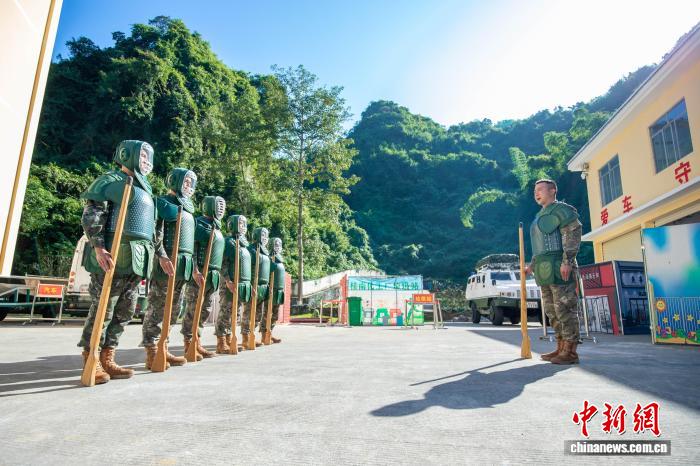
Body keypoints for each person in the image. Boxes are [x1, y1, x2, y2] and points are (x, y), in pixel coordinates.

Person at [79, 140, 171, 384]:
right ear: (127, 155)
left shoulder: (146, 190)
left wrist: (161, 254)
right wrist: (98, 246)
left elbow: (153, 230)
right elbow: (92, 214)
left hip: (137, 258)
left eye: (148, 158)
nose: (146, 162)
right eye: (142, 156)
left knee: (125, 310)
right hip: (113, 254)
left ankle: (108, 356)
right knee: (104, 308)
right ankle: (92, 357)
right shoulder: (110, 181)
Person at [141, 168, 197, 370]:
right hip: (165, 264)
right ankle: (152, 350)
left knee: (175, 309)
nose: (188, 186)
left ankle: (163, 346)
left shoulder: (189, 210)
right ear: (175, 181)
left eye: (191, 183)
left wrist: (194, 268)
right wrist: (162, 255)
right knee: (158, 308)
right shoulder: (162, 203)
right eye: (185, 181)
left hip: (182, 266)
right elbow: (155, 232)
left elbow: (190, 244)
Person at [526, 179, 583, 364]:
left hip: (560, 266)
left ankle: (571, 352)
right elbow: (539, 247)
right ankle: (560, 347)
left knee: (564, 308)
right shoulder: (539, 215)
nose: (536, 193)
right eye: (535, 191)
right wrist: (531, 265)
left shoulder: (562, 210)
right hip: (544, 269)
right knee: (552, 311)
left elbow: (572, 234)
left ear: (552, 191)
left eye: (540, 189)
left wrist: (568, 261)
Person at [181, 195, 226, 359]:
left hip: (212, 276)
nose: (220, 209)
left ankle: (197, 341)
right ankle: (189, 343)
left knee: (205, 310)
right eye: (217, 205)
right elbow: (191, 249)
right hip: (199, 274)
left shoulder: (217, 228)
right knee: (193, 309)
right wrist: (195, 271)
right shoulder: (198, 225)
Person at [214, 214, 252, 353]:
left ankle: (229, 339)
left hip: (240, 285)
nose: (242, 227)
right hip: (229, 284)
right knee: (225, 312)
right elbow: (222, 263)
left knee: (234, 314)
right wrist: (228, 280)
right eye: (240, 224)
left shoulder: (244, 244)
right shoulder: (229, 242)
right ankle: (221, 342)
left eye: (244, 224)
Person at [241, 227, 270, 349]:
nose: (264, 238)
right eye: (262, 235)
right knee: (249, 312)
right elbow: (246, 269)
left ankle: (252, 334)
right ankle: (245, 337)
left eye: (266, 236)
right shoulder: (251, 250)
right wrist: (251, 285)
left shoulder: (265, 252)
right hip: (253, 286)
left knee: (258, 314)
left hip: (263, 287)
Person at [259, 237, 286, 344]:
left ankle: (270, 333)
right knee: (267, 314)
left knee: (274, 315)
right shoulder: (269, 258)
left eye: (279, 245)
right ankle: (264, 335)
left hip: (278, 291)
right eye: (276, 245)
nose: (278, 247)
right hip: (271, 290)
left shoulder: (280, 258)